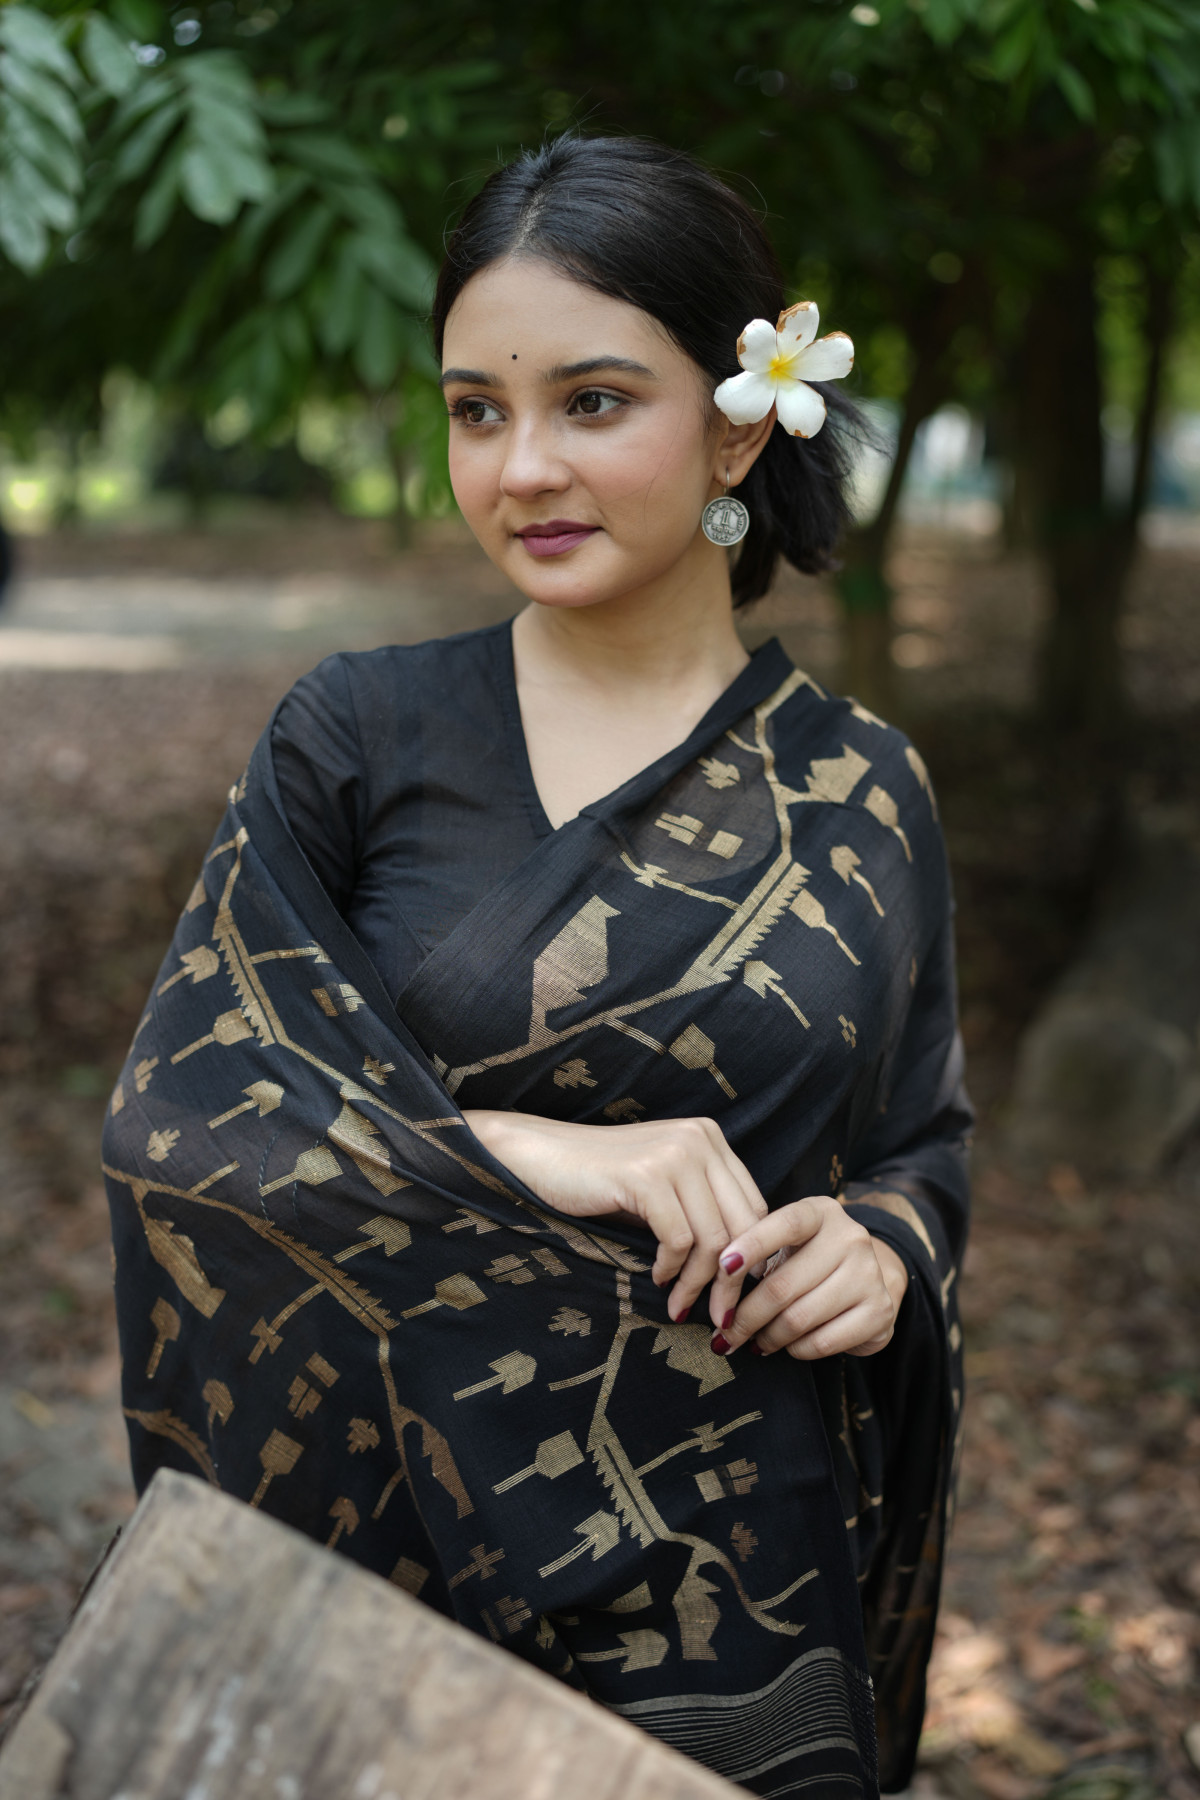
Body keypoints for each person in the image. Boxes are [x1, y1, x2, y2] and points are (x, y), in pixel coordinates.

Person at [103, 135, 970, 1799]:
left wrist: (882, 1250)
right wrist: (515, 1150)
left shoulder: (861, 791)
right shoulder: (356, 737)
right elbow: (185, 1124)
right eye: (475, 409)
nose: (520, 469)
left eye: (591, 401)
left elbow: (922, 1142)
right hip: (380, 1578)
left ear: (737, 420)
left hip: (734, 1605)